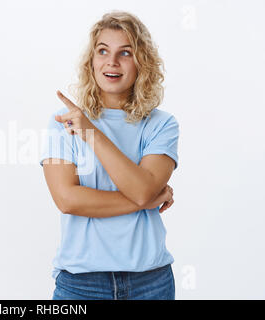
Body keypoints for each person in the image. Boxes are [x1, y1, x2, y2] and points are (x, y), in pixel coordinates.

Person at [39, 10, 179, 300]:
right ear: (91, 62)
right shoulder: (62, 122)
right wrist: (148, 200)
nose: (112, 62)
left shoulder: (162, 125)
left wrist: (92, 132)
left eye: (125, 52)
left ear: (142, 62)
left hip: (150, 283)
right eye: (103, 51)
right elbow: (67, 200)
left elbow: (141, 190)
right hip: (81, 285)